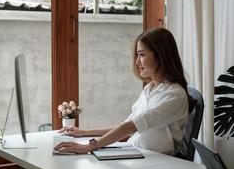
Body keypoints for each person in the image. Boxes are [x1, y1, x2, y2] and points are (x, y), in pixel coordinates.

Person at [54, 28, 194, 155]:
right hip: (138, 153)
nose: (137, 62)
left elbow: (132, 126)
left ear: (161, 56)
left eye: (142, 55)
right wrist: (84, 133)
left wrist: (89, 147)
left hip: (157, 161)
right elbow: (126, 125)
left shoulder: (175, 95)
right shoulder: (149, 89)